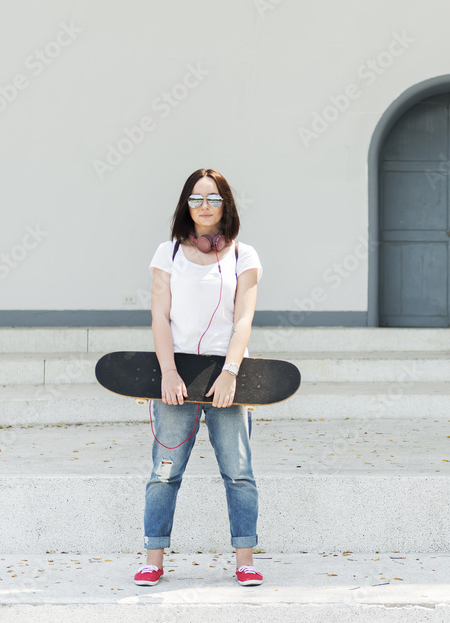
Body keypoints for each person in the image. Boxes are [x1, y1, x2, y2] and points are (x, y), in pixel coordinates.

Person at [133, 168, 264, 587]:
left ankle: (244, 560)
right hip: (177, 378)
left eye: (212, 198)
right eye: (195, 198)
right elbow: (159, 316)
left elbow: (243, 319)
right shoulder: (167, 254)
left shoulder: (245, 256)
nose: (203, 206)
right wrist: (168, 372)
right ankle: (154, 558)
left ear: (225, 205)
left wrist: (229, 373)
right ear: (185, 205)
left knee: (238, 470)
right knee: (164, 472)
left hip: (225, 377)